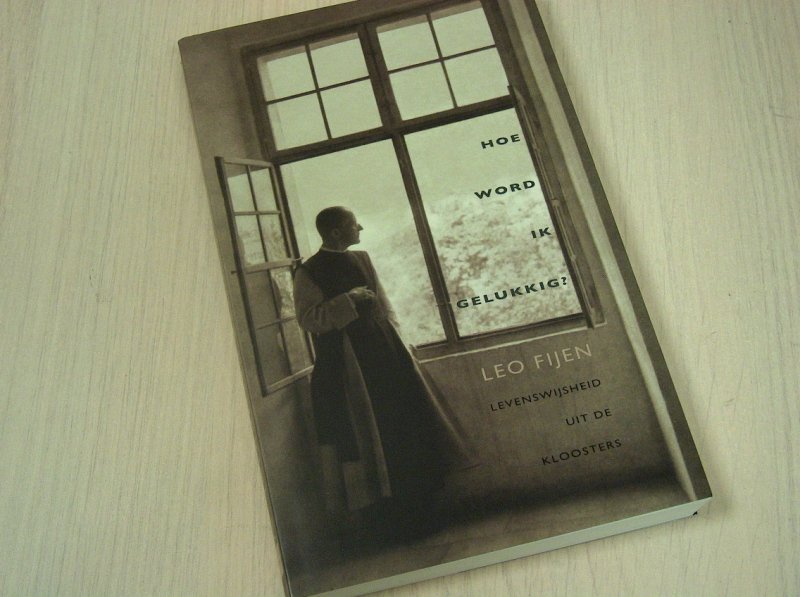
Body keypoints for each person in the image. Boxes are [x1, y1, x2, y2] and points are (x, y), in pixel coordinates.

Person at [293, 206, 471, 538]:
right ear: (335, 232)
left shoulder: (362, 259)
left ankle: (422, 511)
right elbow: (308, 320)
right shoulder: (308, 272)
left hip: (386, 355)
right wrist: (348, 299)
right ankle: (390, 522)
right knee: (371, 436)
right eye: (353, 224)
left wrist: (401, 342)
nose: (360, 228)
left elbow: (383, 305)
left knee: (406, 427)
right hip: (350, 367)